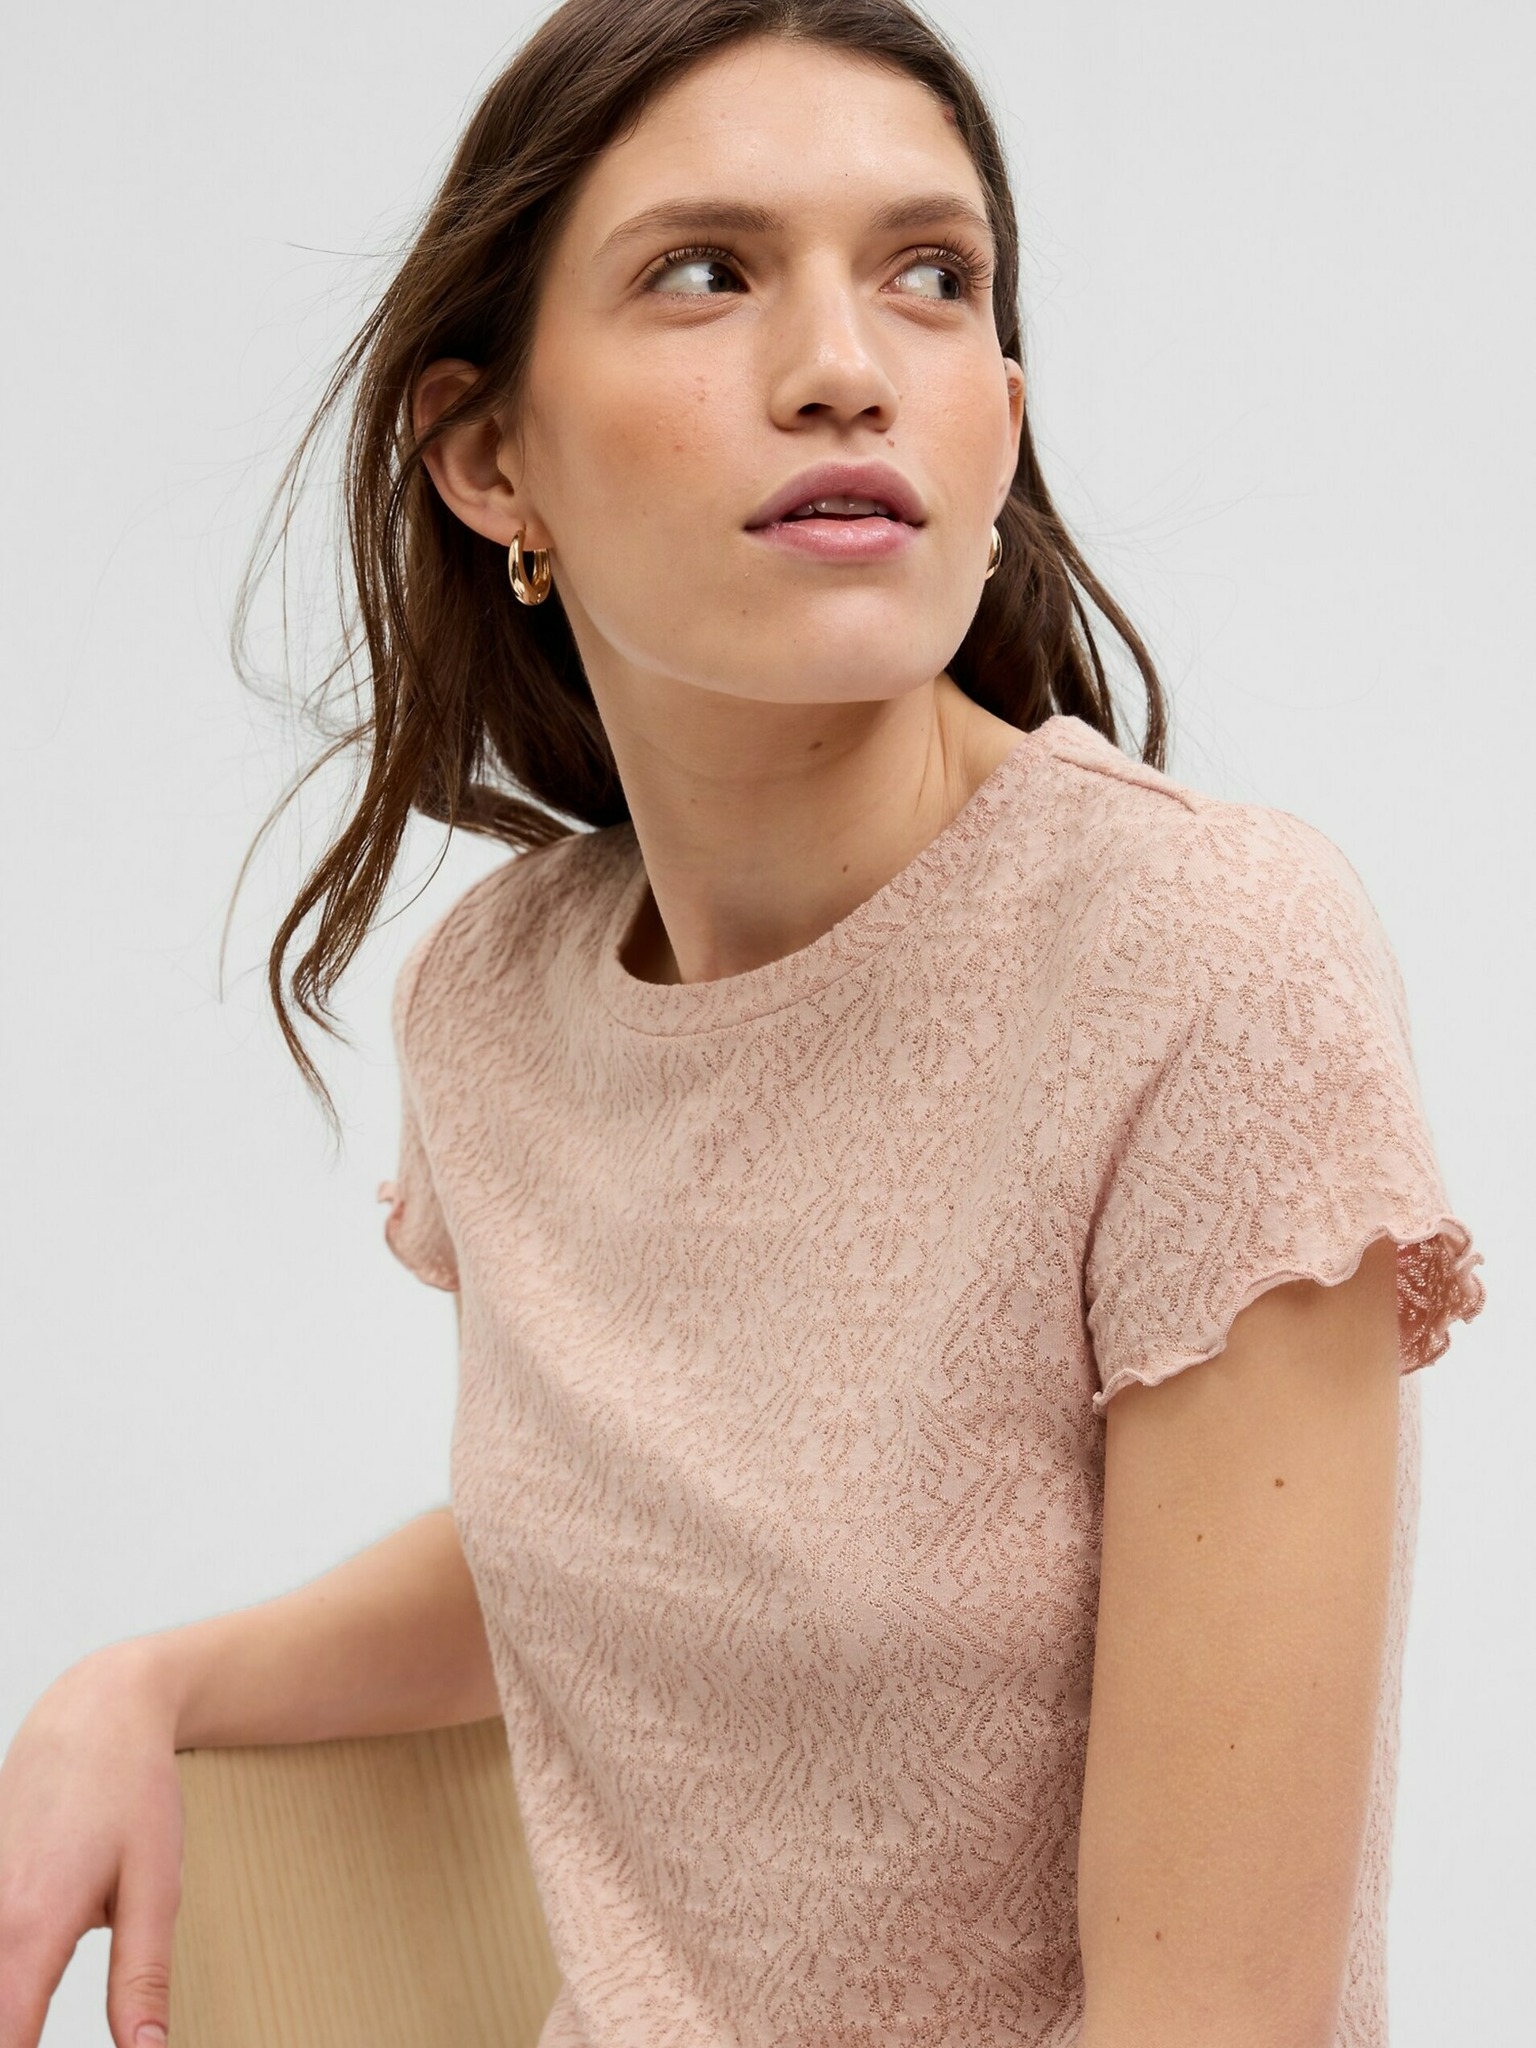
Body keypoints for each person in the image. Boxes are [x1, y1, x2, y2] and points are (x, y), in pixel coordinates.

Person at [0, 3, 1487, 2046]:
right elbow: (632, 1561)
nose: (845, 367)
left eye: (931, 275)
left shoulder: (1201, 962)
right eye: (707, 271)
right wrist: (142, 1680)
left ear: (1000, 417)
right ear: (489, 457)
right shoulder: (496, 998)